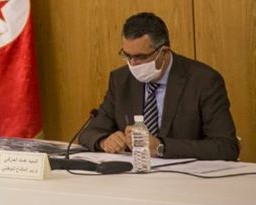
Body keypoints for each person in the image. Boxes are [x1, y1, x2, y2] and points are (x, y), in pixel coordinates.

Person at [79, 12, 239, 161]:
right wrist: (104, 141)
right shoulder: (121, 80)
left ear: (164, 52)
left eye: (141, 57)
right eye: (127, 56)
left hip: (186, 177)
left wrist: (160, 147)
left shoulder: (203, 81)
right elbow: (89, 133)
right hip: (134, 175)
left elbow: (226, 147)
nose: (133, 64)